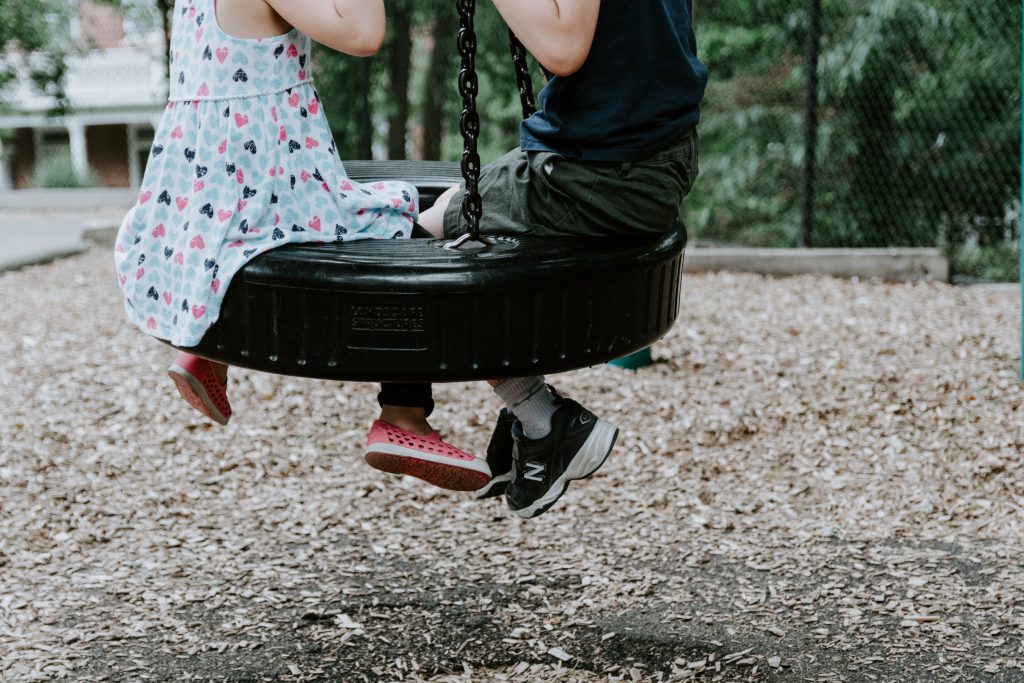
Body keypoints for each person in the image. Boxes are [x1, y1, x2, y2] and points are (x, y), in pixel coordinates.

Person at [113, 0, 490, 492]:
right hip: (269, 180)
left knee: (247, 242)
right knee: (400, 233)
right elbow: (363, 34)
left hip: (207, 195)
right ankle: (404, 415)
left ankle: (208, 343)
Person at [418, 0, 707, 518]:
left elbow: (563, 49)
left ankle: (542, 421)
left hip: (607, 172)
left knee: (434, 234)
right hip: (647, 152)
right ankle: (534, 420)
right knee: (452, 211)